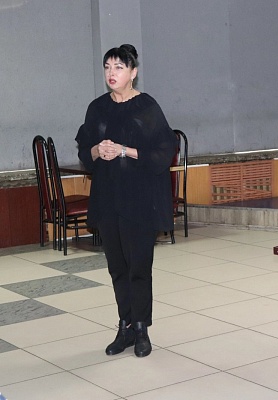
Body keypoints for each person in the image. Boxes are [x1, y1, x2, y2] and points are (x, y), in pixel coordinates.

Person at [76, 44, 178, 358]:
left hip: (141, 199)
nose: (112, 73)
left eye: (119, 67)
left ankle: (142, 329)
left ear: (133, 72)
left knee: (139, 267)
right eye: (107, 67)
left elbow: (164, 151)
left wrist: (124, 151)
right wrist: (97, 151)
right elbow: (85, 150)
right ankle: (125, 325)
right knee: (117, 267)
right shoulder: (97, 108)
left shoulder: (146, 107)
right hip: (108, 198)